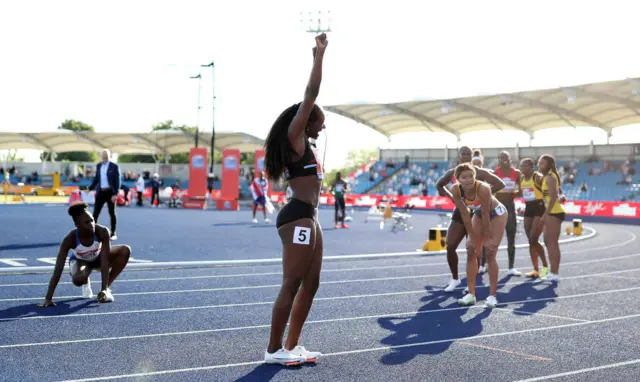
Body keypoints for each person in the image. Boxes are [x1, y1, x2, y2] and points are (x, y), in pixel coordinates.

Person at [262, 32, 328, 366]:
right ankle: (273, 350)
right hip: (297, 216)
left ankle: (292, 344)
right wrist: (318, 56)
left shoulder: (310, 146)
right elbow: (311, 94)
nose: (322, 128)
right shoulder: (295, 138)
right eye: (319, 123)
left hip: (311, 217)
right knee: (292, 283)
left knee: (311, 284)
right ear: (306, 121)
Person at [436, 146, 505, 293]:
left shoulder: (479, 172)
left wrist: (480, 196)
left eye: (469, 154)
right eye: (464, 154)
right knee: (450, 245)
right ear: (459, 156)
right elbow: (439, 185)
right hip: (460, 212)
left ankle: (471, 284)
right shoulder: (452, 173)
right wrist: (453, 198)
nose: (467, 156)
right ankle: (455, 279)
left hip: (478, 212)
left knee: (472, 250)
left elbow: (500, 183)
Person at [37, 201, 131, 307]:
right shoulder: (70, 239)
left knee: (125, 250)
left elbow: (105, 260)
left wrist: (104, 289)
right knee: (78, 279)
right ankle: (85, 280)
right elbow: (58, 269)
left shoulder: (102, 232)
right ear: (77, 225)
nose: (92, 225)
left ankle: (106, 289)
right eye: (87, 222)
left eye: (92, 220)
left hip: (98, 259)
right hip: (80, 261)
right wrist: (48, 298)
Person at [452, 163, 508, 308]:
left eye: (471, 176)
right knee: (471, 249)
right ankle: (471, 294)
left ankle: (492, 296)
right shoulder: (455, 190)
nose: (469, 179)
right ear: (457, 179)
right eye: (464, 177)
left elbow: (486, 213)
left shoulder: (483, 188)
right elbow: (465, 214)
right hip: (478, 213)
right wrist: (472, 238)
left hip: (496, 214)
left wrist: (487, 238)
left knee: (490, 251)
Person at [518, 158, 549, 278]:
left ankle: (545, 267)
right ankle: (536, 270)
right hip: (528, 207)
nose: (522, 169)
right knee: (531, 241)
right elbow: (522, 193)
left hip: (539, 207)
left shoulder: (537, 177)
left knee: (533, 238)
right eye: (520, 166)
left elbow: (548, 190)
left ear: (531, 167)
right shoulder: (521, 178)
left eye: (524, 166)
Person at [494, 150, 522, 276]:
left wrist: (511, 194)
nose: (503, 159)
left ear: (510, 159)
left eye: (506, 157)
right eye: (501, 157)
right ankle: (486, 264)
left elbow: (521, 191)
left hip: (510, 207)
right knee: (491, 237)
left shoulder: (516, 173)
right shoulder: (495, 173)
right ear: (498, 160)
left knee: (511, 237)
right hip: (497, 207)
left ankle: (511, 267)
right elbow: (491, 190)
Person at [538, 154, 565, 282]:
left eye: (542, 163)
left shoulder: (550, 177)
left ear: (548, 165)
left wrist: (545, 214)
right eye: (539, 163)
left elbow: (553, 197)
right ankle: (552, 271)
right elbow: (558, 193)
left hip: (553, 213)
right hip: (551, 212)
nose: (539, 165)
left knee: (552, 243)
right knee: (548, 242)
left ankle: (555, 273)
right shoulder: (546, 177)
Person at [88, 149, 121, 240]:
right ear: (101, 156)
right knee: (95, 213)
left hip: (110, 193)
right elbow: (96, 179)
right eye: (103, 154)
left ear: (109, 155)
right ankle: (93, 232)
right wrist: (90, 188)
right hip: (101, 192)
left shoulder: (114, 166)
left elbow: (117, 180)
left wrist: (115, 194)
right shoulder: (99, 166)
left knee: (112, 213)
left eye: (106, 154)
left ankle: (113, 233)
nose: (104, 156)